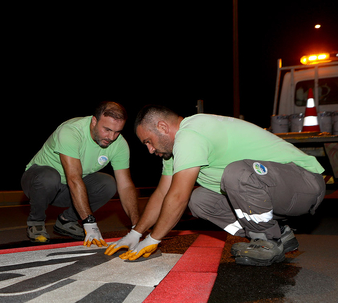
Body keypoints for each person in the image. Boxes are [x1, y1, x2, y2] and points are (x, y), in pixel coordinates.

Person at [106, 105, 325, 266]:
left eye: (148, 141)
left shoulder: (191, 133)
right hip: (275, 192)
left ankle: (267, 240)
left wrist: (153, 239)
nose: (150, 151)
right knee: (200, 200)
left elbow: (177, 197)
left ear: (162, 127)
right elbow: (163, 193)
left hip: (304, 182)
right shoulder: (174, 153)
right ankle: (277, 235)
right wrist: (136, 234)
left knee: (236, 173)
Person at [21, 101, 140, 245]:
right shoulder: (71, 131)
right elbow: (73, 178)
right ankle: (36, 221)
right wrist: (90, 224)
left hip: (68, 191)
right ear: (94, 121)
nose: (111, 137)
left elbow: (126, 186)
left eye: (117, 131)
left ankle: (66, 221)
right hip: (39, 183)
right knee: (49, 177)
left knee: (108, 184)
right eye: (107, 129)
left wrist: (137, 228)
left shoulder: (119, 144)